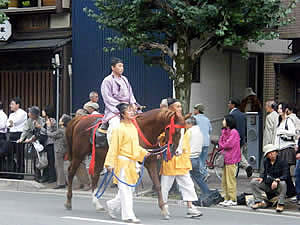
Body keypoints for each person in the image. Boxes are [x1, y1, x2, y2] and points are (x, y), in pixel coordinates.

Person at [104, 103, 150, 223]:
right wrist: (110, 163)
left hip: (132, 163)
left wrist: (144, 152)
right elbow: (114, 147)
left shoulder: (133, 128)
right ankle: (128, 215)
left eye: (132, 110)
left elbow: (135, 146)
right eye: (129, 111)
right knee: (125, 190)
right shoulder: (119, 129)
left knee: (129, 190)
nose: (132, 112)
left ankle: (111, 205)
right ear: (123, 114)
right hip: (122, 162)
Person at [160, 98, 202, 220]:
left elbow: (184, 138)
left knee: (187, 183)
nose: (180, 108)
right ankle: (164, 206)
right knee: (165, 184)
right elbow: (162, 137)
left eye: (180, 106)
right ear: (170, 108)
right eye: (177, 106)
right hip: (170, 157)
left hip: (182, 158)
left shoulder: (182, 121)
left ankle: (190, 207)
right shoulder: (165, 121)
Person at [101, 57, 139, 143]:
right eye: (119, 66)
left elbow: (130, 93)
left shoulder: (125, 79)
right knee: (114, 126)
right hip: (114, 110)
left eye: (122, 66)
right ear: (113, 67)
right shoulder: (107, 80)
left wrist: (133, 104)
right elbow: (107, 98)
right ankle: (113, 147)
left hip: (129, 108)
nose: (122, 68)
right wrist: (122, 108)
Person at [250, 144, 295, 212]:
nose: (271, 155)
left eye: (272, 152)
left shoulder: (283, 161)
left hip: (280, 186)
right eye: (269, 153)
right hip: (269, 185)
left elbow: (286, 175)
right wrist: (261, 177)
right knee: (253, 182)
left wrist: (277, 180)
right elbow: (263, 172)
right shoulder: (266, 161)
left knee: (283, 183)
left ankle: (280, 204)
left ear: (276, 152)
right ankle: (258, 201)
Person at [218, 115, 241, 206]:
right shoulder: (224, 131)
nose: (223, 121)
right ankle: (226, 198)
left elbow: (228, 144)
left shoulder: (234, 132)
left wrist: (222, 144)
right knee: (224, 180)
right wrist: (223, 144)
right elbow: (221, 143)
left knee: (230, 180)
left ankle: (232, 199)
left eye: (224, 120)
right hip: (225, 158)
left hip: (232, 158)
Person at [17, 106, 44, 181]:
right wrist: (21, 139)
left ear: (34, 114)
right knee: (34, 159)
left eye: (30, 112)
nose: (28, 114)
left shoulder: (41, 120)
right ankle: (36, 175)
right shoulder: (29, 121)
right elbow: (25, 131)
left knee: (42, 159)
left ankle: (44, 175)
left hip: (41, 141)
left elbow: (42, 131)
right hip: (33, 142)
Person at [228, 98, 253, 177]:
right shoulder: (242, 115)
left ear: (233, 105)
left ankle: (234, 172)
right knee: (239, 154)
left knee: (235, 155)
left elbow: (229, 128)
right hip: (241, 138)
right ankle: (247, 167)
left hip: (233, 138)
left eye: (229, 103)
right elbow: (245, 127)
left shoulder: (231, 115)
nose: (228, 105)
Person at [46, 114, 72, 189]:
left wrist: (48, 126)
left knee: (59, 166)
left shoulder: (61, 130)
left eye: (61, 119)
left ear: (63, 122)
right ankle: (64, 181)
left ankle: (61, 183)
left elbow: (50, 134)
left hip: (59, 149)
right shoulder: (66, 129)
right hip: (64, 148)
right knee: (61, 166)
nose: (59, 120)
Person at [186, 116, 210, 194]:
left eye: (186, 124)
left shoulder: (189, 132)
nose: (185, 125)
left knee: (185, 179)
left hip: (189, 158)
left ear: (190, 124)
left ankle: (188, 197)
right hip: (196, 158)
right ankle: (207, 193)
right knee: (198, 178)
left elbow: (183, 144)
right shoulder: (199, 131)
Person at [7, 97, 27, 175]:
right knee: (11, 154)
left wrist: (11, 122)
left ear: (17, 105)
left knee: (19, 154)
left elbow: (15, 122)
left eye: (12, 104)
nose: (10, 105)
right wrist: (10, 123)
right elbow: (8, 124)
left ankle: (20, 172)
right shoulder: (11, 114)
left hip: (19, 134)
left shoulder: (23, 113)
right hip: (12, 134)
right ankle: (12, 171)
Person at [38, 105, 57, 183]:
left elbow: (48, 132)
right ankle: (45, 176)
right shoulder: (43, 120)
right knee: (46, 161)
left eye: (43, 110)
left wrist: (40, 127)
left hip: (50, 143)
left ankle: (52, 177)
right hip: (44, 143)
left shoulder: (52, 120)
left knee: (51, 161)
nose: (42, 112)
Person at [193, 103, 212, 180]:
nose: (194, 110)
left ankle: (205, 173)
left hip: (198, 142)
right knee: (203, 160)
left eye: (195, 109)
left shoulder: (194, 119)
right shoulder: (207, 119)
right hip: (206, 142)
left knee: (197, 159)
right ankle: (202, 175)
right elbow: (210, 130)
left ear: (198, 110)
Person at [274, 102, 296, 167]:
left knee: (285, 170)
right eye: (278, 108)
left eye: (281, 108)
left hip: (287, 149)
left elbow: (293, 132)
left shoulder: (288, 120)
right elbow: (277, 136)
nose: (279, 110)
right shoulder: (279, 121)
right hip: (280, 149)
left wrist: (283, 131)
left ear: (286, 109)